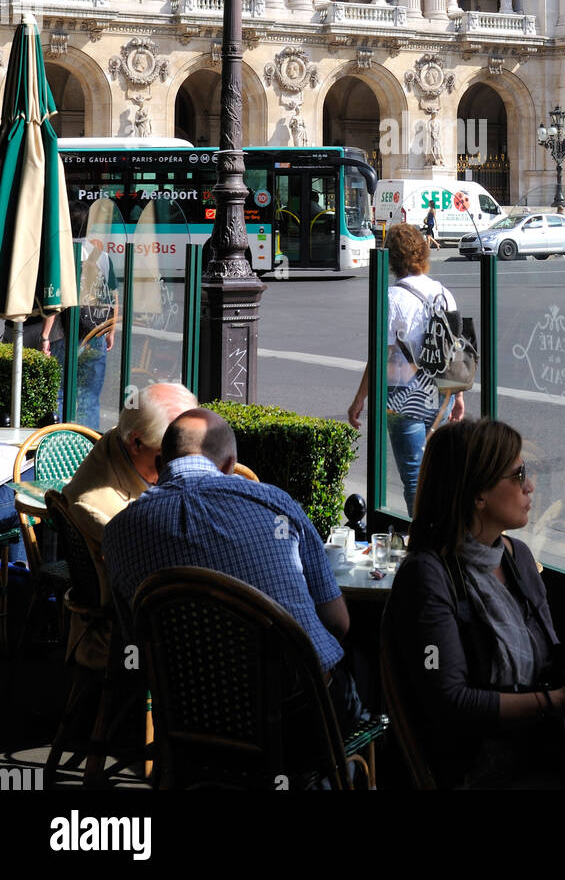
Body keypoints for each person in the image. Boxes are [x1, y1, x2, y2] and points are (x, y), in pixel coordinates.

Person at [384, 420, 565, 789]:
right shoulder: (427, 577)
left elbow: (544, 657)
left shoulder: (517, 557)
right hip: (483, 767)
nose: (530, 486)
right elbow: (452, 703)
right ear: (478, 494)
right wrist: (556, 699)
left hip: (540, 742)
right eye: (518, 476)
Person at [102, 408, 362, 732]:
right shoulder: (276, 504)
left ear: (158, 467)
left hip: (191, 724)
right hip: (298, 718)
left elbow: (136, 643)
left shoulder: (117, 533)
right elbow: (338, 622)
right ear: (229, 465)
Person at [63, 382, 197, 668]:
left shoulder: (122, 440)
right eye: (172, 455)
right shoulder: (101, 508)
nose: (189, 464)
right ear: (136, 443)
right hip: (130, 640)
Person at [348, 223, 464, 515]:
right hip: (440, 393)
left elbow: (380, 355)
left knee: (415, 478)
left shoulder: (390, 299)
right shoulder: (443, 292)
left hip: (403, 396)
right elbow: (453, 345)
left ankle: (424, 545)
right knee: (436, 474)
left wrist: (359, 398)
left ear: (392, 259)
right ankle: (441, 539)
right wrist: (458, 396)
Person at [69, 200, 119, 430]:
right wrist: (111, 331)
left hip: (64, 330)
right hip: (95, 330)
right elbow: (113, 296)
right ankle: (88, 443)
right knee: (89, 395)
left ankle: (60, 439)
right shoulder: (102, 255)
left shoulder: (59, 253)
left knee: (61, 392)